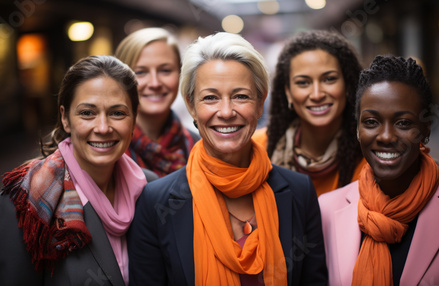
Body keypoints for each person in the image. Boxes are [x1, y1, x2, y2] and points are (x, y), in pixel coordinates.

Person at [128, 32, 328, 285]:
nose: (225, 112)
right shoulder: (156, 202)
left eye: (240, 96)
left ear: (260, 101)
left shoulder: (300, 192)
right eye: (210, 97)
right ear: (191, 105)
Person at [0, 55, 154, 286]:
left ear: (134, 119)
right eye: (87, 113)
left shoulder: (150, 189)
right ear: (65, 119)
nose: (103, 127)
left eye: (117, 113)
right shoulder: (26, 203)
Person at [318, 55, 439, 285]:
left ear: (425, 129)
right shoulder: (328, 210)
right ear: (357, 130)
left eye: (403, 123)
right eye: (371, 122)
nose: (386, 137)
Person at [253, 30, 366, 196]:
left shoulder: (369, 156)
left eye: (329, 79)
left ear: (348, 86)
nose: (317, 94)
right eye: (303, 82)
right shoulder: (256, 149)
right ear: (288, 92)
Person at [115, 27, 200, 177]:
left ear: (180, 74)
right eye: (140, 72)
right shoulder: (105, 147)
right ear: (121, 80)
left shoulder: (199, 146)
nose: (154, 83)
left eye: (165, 70)